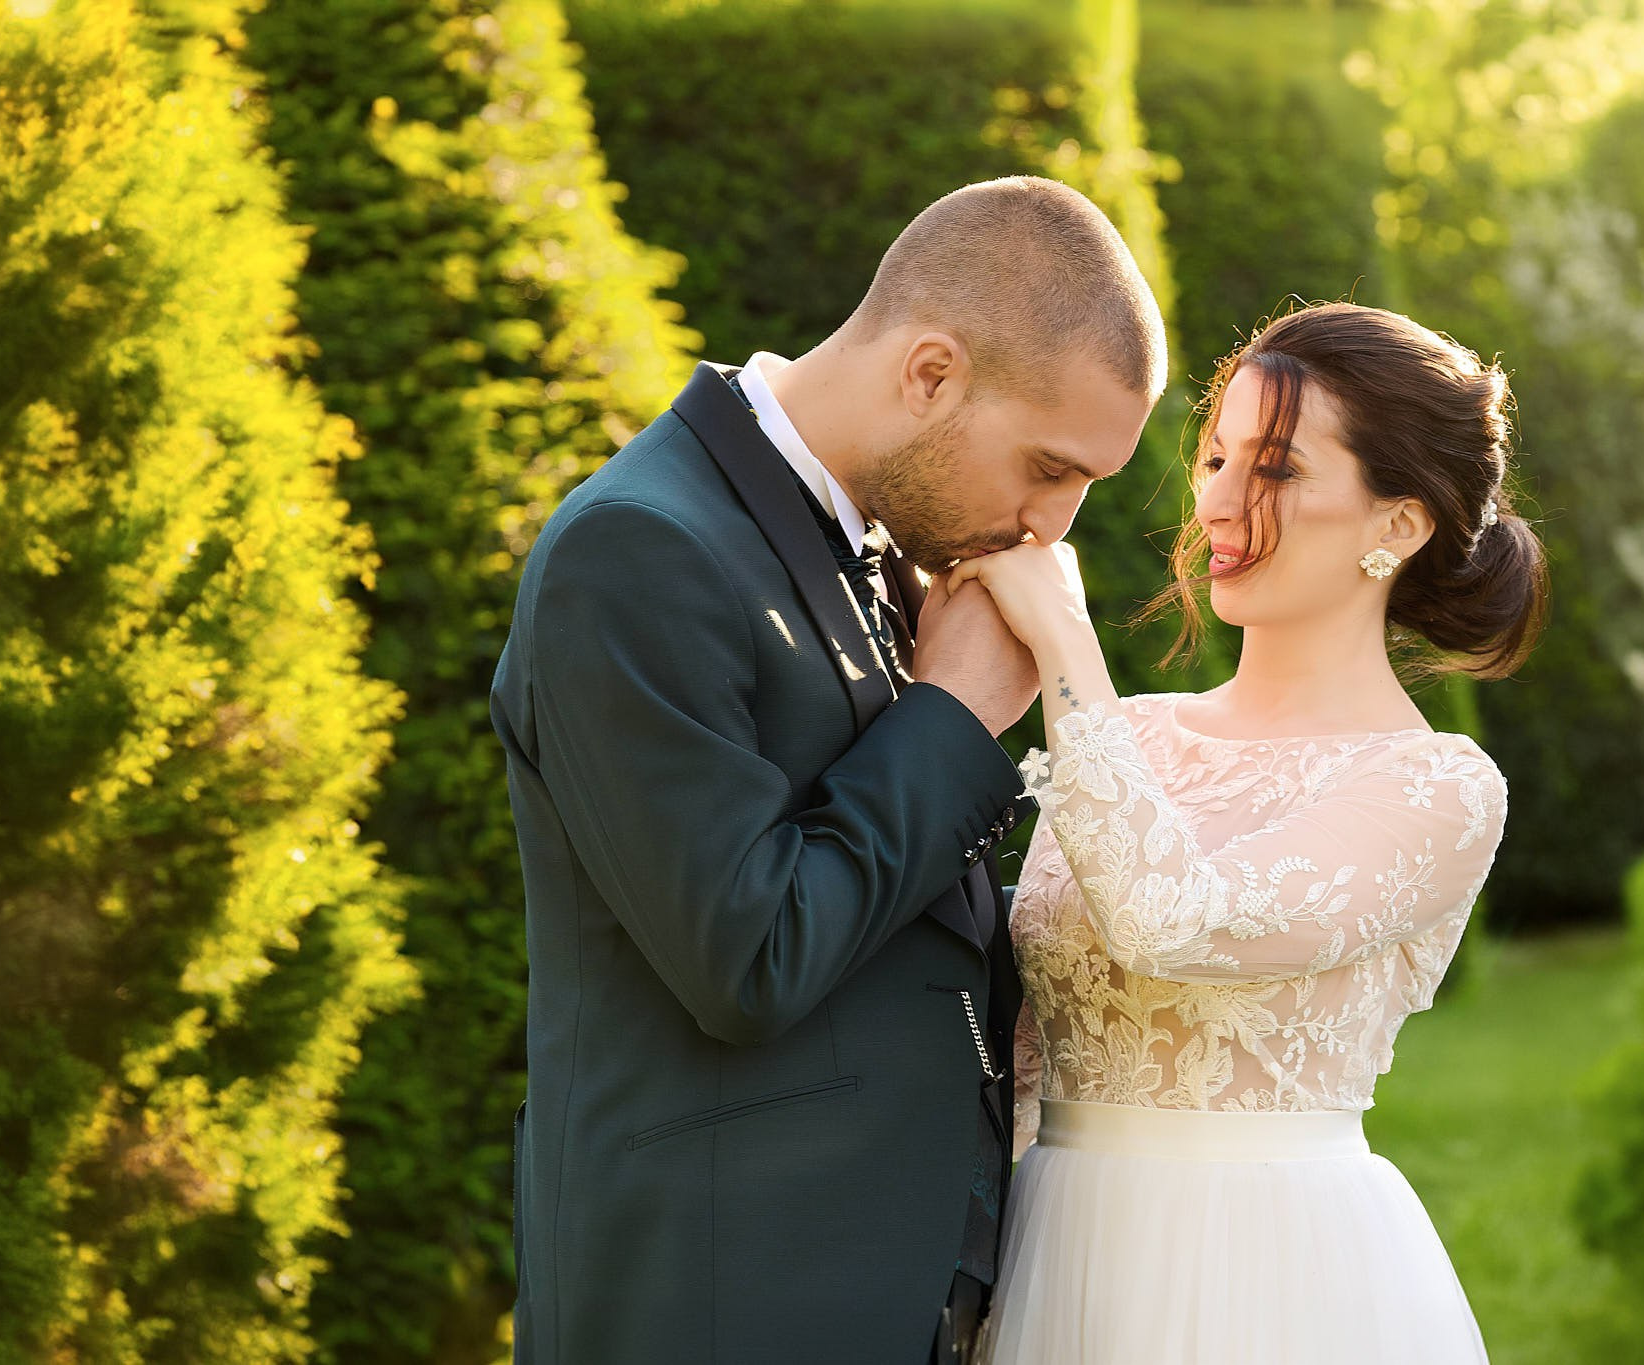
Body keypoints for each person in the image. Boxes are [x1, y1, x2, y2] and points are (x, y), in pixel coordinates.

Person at [488, 175, 1166, 1363]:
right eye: (1048, 467)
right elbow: (745, 956)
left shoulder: (882, 544)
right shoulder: (638, 547)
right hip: (719, 1300)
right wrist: (952, 716)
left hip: (886, 1288)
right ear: (931, 374)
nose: (1049, 526)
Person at [950, 301, 1547, 1365]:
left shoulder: (1437, 788)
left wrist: (1062, 640)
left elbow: (1170, 922)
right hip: (1056, 1264)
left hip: (1268, 1281)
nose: (1218, 502)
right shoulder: (1127, 737)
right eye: (1217, 458)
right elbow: (1025, 1049)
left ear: (1396, 526)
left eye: (1274, 468)